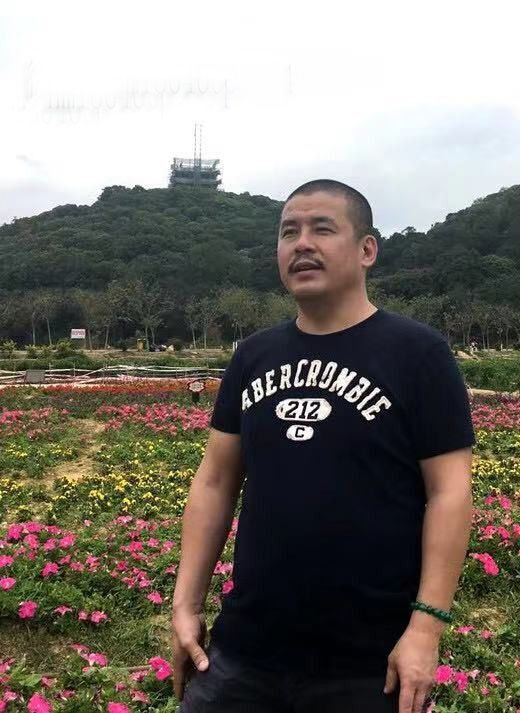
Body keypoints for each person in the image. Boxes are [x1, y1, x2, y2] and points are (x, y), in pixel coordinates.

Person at [171, 179, 475, 713]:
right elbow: (215, 482)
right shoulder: (253, 356)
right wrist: (185, 605)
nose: (302, 244)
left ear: (367, 250)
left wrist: (426, 628)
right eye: (289, 232)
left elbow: (449, 493)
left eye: (322, 229)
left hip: (370, 665)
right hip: (244, 652)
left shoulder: (418, 354)